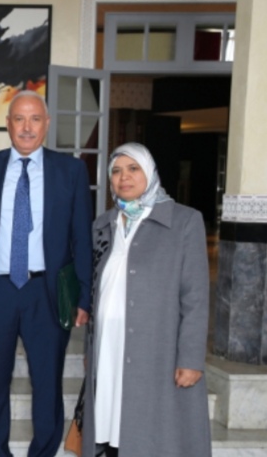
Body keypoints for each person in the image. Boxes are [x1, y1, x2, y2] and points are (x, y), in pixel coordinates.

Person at [0, 90, 92, 457]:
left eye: (35, 119)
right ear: (8, 125)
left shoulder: (70, 171)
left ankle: (43, 452)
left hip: (47, 293)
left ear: (47, 124)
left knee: (48, 384)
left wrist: (84, 296)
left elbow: (81, 238)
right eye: (19, 119)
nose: (26, 127)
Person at [81, 143, 211, 457]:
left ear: (150, 173)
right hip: (108, 346)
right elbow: (96, 289)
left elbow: (195, 296)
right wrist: (89, 349)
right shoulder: (103, 224)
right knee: (110, 425)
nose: (123, 177)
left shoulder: (184, 221)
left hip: (156, 349)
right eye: (116, 171)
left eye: (133, 168)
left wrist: (191, 358)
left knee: (155, 433)